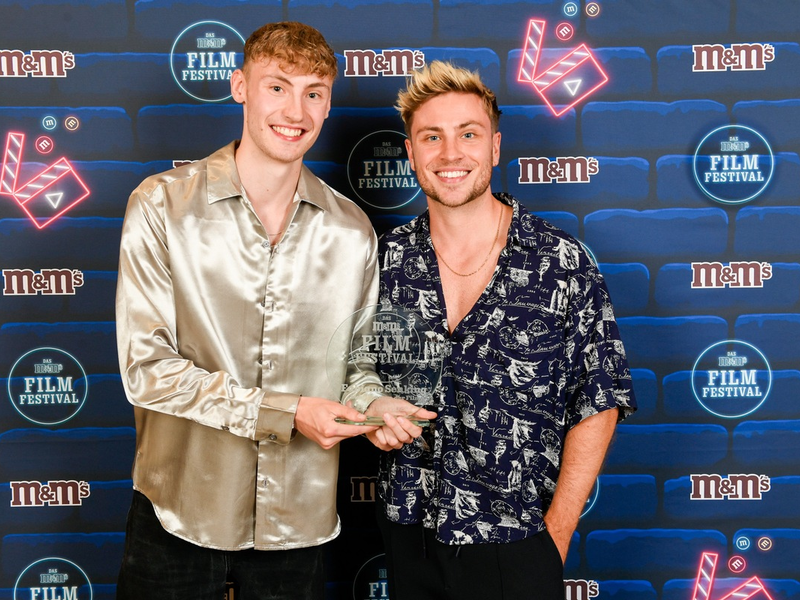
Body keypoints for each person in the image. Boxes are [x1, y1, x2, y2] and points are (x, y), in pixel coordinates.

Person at [114, 21, 429, 600]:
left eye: (313, 92)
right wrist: (285, 412)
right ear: (239, 87)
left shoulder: (352, 230)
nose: (296, 110)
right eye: (277, 87)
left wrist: (374, 405)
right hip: (180, 512)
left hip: (298, 523)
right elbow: (147, 372)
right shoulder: (161, 205)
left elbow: (355, 367)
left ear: (329, 103)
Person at [367, 61, 637, 599]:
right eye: (431, 137)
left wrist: (554, 535)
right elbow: (349, 373)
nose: (449, 154)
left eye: (467, 134)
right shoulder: (383, 261)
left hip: (519, 542)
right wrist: (370, 408)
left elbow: (600, 399)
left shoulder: (559, 261)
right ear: (412, 151)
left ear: (493, 146)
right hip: (409, 537)